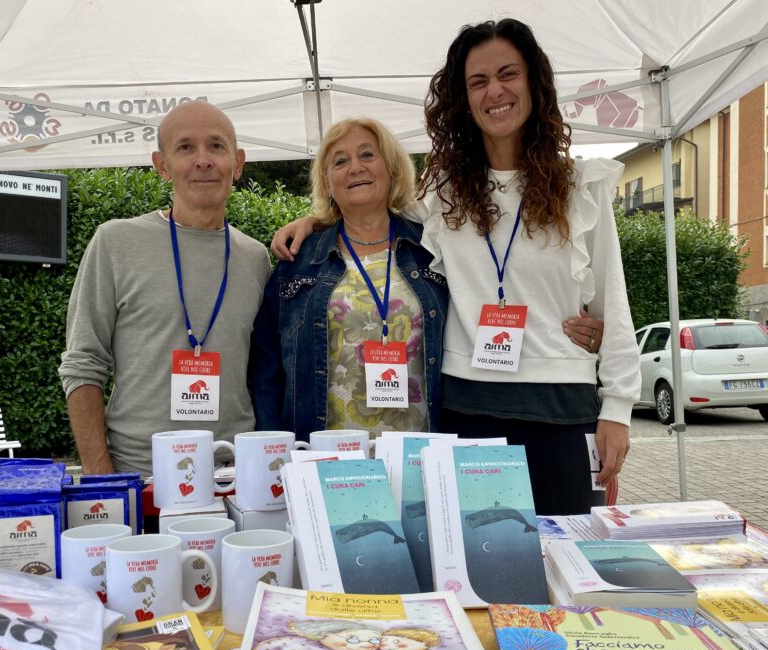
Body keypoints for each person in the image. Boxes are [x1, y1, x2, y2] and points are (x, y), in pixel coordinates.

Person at [272, 20, 638, 516]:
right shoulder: (443, 193)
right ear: (464, 100)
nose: (495, 91)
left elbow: (613, 305)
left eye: (508, 74)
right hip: (467, 412)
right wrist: (317, 219)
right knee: (483, 573)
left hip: (562, 409)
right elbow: (374, 216)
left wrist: (617, 409)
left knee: (564, 567)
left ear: (534, 83)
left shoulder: (580, 187)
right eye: (478, 82)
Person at [59, 101, 271, 476]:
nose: (202, 160)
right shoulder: (116, 242)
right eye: (185, 147)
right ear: (161, 165)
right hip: (140, 476)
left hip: (234, 475)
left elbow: (263, 369)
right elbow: (82, 363)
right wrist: (100, 474)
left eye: (216, 146)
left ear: (238, 164)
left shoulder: (256, 258)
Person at [249, 118, 448, 438]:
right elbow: (266, 368)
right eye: (340, 161)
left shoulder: (432, 248)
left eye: (368, 155)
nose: (355, 167)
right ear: (327, 182)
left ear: (393, 169)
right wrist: (274, 447)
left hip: (418, 454)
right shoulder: (298, 261)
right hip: (324, 458)